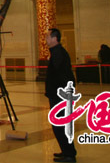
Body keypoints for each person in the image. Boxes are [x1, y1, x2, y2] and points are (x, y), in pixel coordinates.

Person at [46, 28, 77, 163]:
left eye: (47, 36)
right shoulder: (56, 52)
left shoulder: (58, 53)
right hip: (58, 93)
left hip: (60, 95)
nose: (46, 39)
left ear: (54, 38)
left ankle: (69, 154)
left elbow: (60, 75)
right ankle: (66, 151)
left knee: (61, 124)